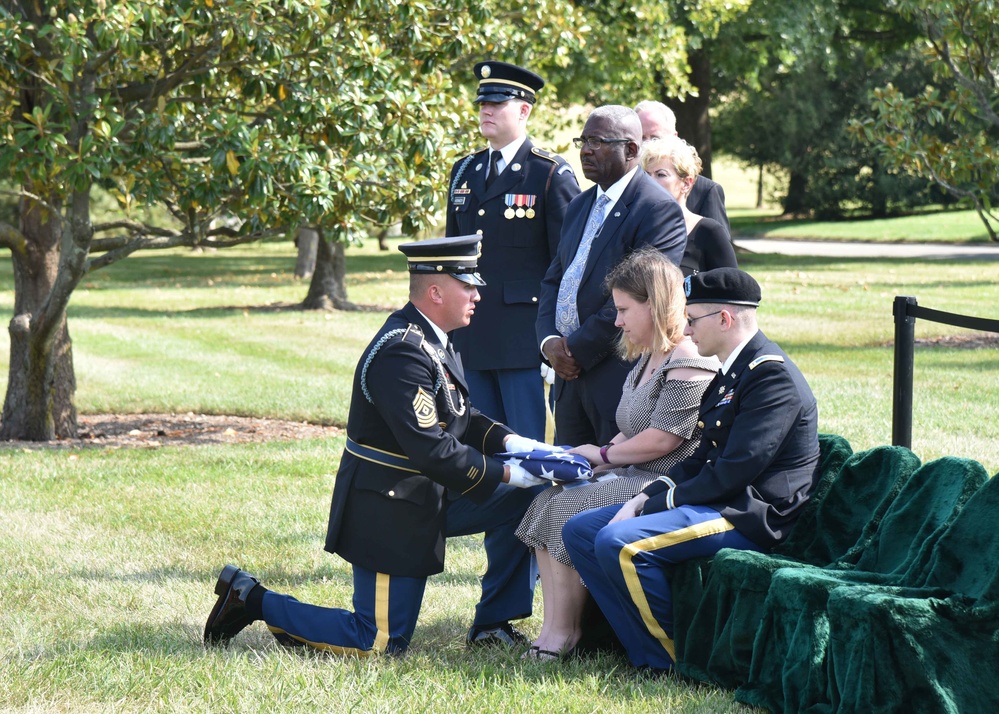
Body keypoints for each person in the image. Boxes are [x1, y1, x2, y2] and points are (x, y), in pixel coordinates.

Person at [204, 235, 554, 656]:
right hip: (392, 506)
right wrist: (512, 472)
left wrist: (523, 446)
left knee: (533, 495)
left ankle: (492, 623)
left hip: (427, 492)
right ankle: (251, 599)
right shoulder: (402, 354)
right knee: (379, 641)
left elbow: (463, 416)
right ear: (436, 291)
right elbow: (433, 450)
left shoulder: (434, 337)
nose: (478, 294)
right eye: (468, 284)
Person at [562, 267, 821, 673]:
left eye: (693, 318)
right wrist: (646, 495)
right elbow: (698, 461)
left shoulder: (770, 375)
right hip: (718, 502)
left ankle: (671, 661)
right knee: (579, 530)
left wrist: (649, 505)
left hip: (749, 515)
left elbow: (734, 472)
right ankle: (636, 647)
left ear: (725, 319)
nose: (684, 327)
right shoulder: (732, 371)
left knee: (619, 541)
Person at [516, 249, 719, 660]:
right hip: (631, 473)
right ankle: (553, 627)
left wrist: (602, 455)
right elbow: (632, 427)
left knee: (568, 507)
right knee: (544, 503)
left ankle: (566, 636)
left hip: (661, 483)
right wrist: (581, 460)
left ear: (656, 303)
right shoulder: (648, 355)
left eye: (625, 309)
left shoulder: (689, 358)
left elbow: (665, 439)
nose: (619, 319)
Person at [536, 104, 687, 447]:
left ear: (631, 150)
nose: (585, 150)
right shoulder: (578, 205)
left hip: (616, 375)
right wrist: (548, 343)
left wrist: (572, 349)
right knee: (568, 480)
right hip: (567, 376)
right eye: (583, 140)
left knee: (612, 481)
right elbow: (554, 280)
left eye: (598, 141)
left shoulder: (657, 210)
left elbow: (640, 296)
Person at [447, 61, 580, 441]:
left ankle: (535, 505)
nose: (485, 111)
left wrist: (558, 335)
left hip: (524, 340)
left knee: (528, 444)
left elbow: (568, 262)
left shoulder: (549, 173)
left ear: (524, 110)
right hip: (470, 335)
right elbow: (453, 256)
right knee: (477, 444)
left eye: (497, 103)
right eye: (482, 104)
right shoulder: (464, 172)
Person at [641, 136, 739, 277]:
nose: (650, 182)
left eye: (660, 175)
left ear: (686, 183)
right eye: (646, 175)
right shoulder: (632, 227)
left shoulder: (709, 231)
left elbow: (734, 287)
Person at [634, 100, 729, 233]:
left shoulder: (706, 191)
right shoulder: (623, 186)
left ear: (674, 137)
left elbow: (719, 247)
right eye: (642, 137)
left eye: (655, 138)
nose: (647, 145)